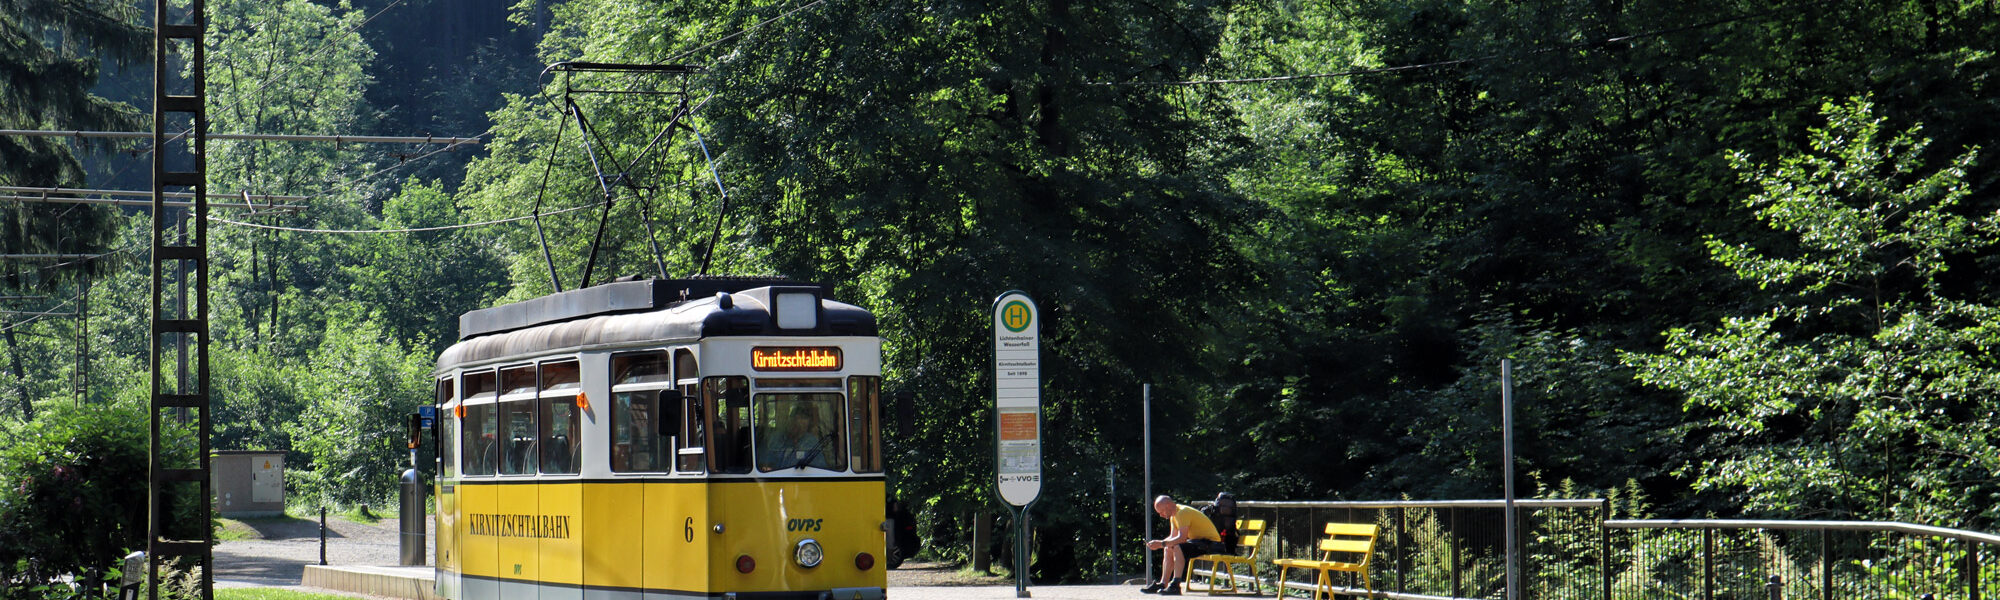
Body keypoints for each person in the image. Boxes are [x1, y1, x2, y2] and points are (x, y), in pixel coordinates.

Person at [1142, 495, 1227, 595]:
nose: (1161, 515)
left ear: (1168, 505)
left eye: (1161, 511)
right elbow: (1172, 537)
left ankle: (1175, 585)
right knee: (1168, 547)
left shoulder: (1183, 512)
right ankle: (1163, 583)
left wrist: (1161, 543)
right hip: (1200, 542)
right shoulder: (1174, 516)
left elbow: (1181, 538)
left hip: (1212, 544)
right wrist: (1158, 543)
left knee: (1178, 547)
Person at [762, 404, 826, 469]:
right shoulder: (776, 438)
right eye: (796, 418)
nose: (799, 423)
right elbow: (765, 464)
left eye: (804, 419)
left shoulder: (812, 442)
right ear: (789, 420)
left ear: (808, 423)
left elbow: (820, 466)